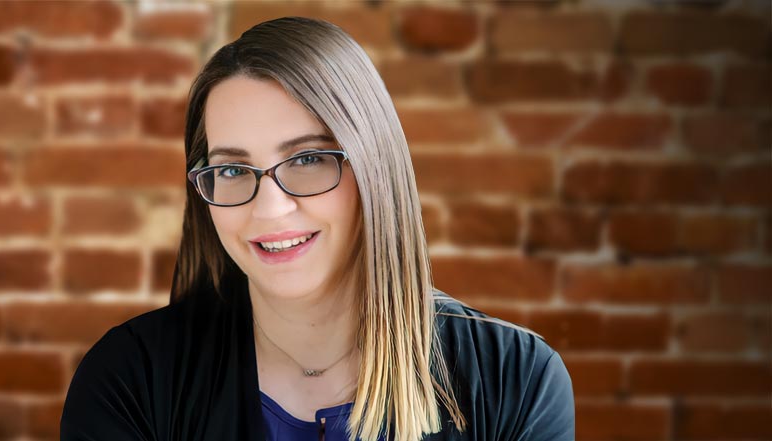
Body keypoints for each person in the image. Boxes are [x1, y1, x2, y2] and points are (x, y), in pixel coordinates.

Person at [60, 17, 574, 441]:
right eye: (234, 170)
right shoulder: (131, 378)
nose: (271, 209)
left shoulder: (516, 378)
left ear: (374, 167)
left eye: (307, 159)